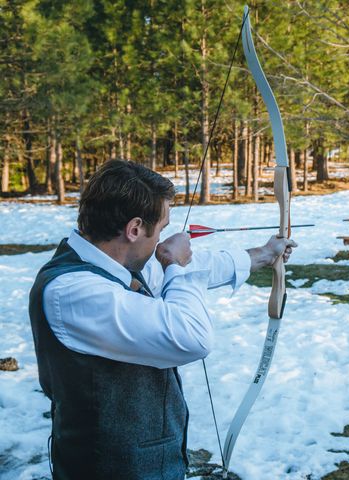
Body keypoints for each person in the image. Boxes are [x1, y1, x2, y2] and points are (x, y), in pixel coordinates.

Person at [28, 159, 296, 480]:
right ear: (135, 229)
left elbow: (197, 266)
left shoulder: (117, 260)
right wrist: (177, 267)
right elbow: (191, 337)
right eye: (162, 228)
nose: (162, 240)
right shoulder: (74, 292)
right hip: (110, 468)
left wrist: (263, 254)